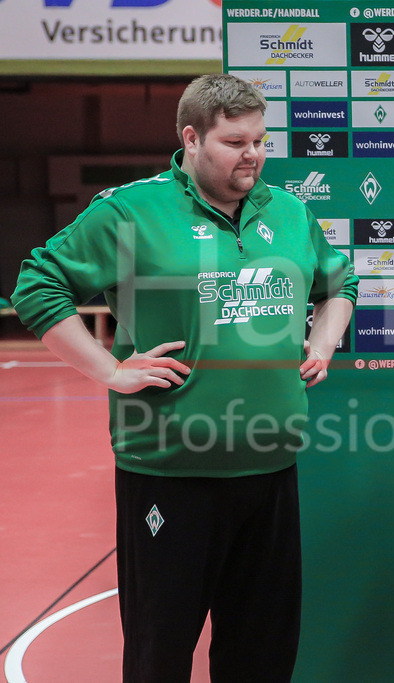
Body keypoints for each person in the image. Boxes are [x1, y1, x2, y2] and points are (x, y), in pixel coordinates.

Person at [12, 73, 358, 682]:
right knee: (160, 656)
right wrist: (110, 370)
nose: (252, 154)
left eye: (260, 139)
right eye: (234, 142)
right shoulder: (131, 211)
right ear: (191, 139)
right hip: (170, 477)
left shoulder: (290, 212)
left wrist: (324, 343)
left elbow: (340, 285)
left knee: (262, 655)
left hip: (271, 473)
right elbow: (38, 284)